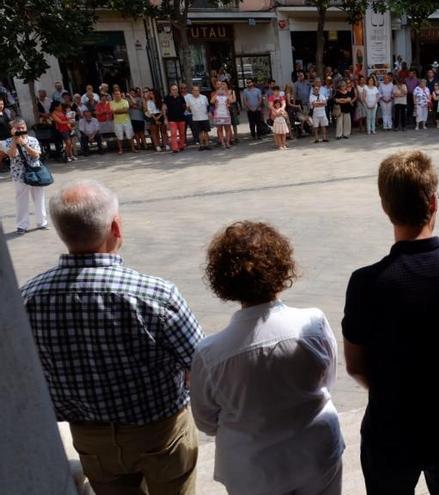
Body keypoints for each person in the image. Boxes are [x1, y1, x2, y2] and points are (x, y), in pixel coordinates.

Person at [20, 180, 204, 493]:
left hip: (91, 439)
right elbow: (202, 365)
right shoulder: (154, 295)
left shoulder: (27, 298)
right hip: (161, 434)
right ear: (115, 227)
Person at [343, 150, 439, 494]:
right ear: (434, 202)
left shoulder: (366, 282)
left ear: (385, 206)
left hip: (390, 428)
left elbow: (354, 366)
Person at [191, 221, 344, 495]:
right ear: (281, 267)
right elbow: (327, 380)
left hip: (252, 469)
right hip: (316, 452)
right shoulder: (314, 323)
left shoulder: (210, 354)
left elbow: (206, 421)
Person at [2, 118, 49, 234]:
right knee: (21, 200)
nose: (20, 130)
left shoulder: (32, 140)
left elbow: (36, 155)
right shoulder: (7, 141)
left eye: (22, 127)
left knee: (39, 197)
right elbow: (12, 155)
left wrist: (25, 145)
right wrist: (14, 140)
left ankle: (42, 222)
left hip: (35, 172)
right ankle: (22, 225)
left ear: (26, 128)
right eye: (17, 128)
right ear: (12, 130)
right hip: (19, 174)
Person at [163, 85, 188, 153]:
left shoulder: (181, 97)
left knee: (182, 133)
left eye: (176, 89)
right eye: (173, 89)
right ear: (170, 90)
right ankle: (175, 148)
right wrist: (165, 118)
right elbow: (164, 108)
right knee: (173, 133)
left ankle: (181, 146)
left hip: (181, 118)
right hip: (172, 119)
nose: (175, 91)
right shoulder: (167, 98)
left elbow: (184, 106)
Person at [110, 89, 135, 154]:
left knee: (130, 135)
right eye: (115, 94)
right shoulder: (111, 103)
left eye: (118, 94)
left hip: (126, 121)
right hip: (117, 122)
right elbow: (113, 111)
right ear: (113, 95)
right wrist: (121, 110)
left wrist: (117, 111)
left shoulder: (125, 101)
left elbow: (126, 110)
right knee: (119, 137)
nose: (117, 95)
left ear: (120, 94)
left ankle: (133, 148)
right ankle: (120, 150)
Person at [187, 86, 211, 151]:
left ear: (199, 91)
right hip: (196, 118)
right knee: (199, 132)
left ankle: (207, 144)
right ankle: (201, 145)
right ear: (192, 91)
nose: (196, 92)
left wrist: (209, 113)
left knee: (205, 132)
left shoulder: (204, 97)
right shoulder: (189, 99)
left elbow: (208, 106)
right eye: (194, 90)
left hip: (204, 117)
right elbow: (188, 108)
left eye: (197, 90)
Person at [211, 82, 233, 149]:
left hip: (226, 114)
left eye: (222, 88)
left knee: (227, 129)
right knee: (220, 130)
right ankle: (223, 143)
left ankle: (227, 142)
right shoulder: (216, 95)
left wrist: (226, 94)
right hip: (218, 114)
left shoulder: (226, 95)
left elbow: (231, 101)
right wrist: (217, 93)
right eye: (220, 88)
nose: (221, 89)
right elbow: (211, 101)